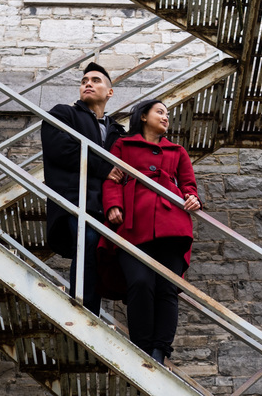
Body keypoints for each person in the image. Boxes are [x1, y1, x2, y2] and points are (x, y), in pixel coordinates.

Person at [99, 99, 201, 364]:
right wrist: (113, 205)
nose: (166, 117)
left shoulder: (178, 151)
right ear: (143, 116)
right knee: (140, 282)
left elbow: (189, 185)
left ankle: (160, 350)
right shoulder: (123, 145)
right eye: (160, 112)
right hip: (132, 224)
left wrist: (192, 198)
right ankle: (141, 348)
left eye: (167, 114)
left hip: (172, 225)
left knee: (168, 288)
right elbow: (112, 179)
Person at [40, 62, 125, 316]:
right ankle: (83, 313)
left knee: (100, 254)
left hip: (104, 205)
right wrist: (102, 167)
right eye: (84, 80)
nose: (88, 83)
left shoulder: (118, 132)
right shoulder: (64, 114)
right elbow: (60, 149)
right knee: (87, 240)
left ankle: (91, 314)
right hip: (73, 200)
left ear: (109, 92)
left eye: (96, 80)